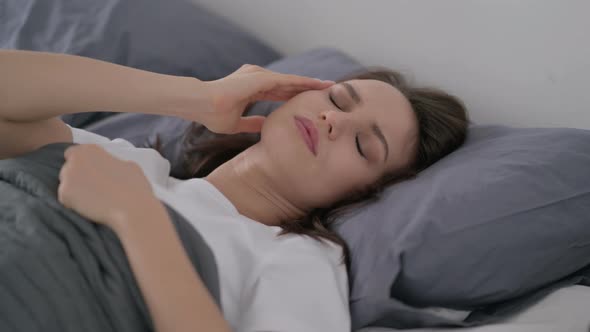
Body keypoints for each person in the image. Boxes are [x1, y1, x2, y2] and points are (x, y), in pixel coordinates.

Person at [0, 50, 469, 331]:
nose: (334, 120)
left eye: (364, 144)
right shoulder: (135, 166)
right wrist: (198, 96)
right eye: (337, 99)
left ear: (366, 194)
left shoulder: (301, 261)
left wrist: (137, 219)